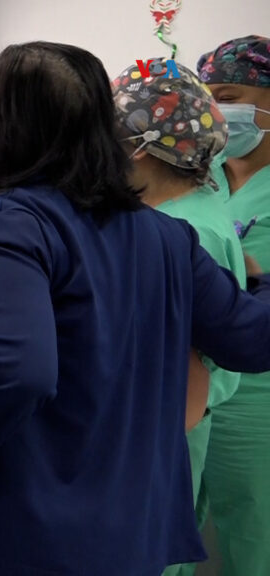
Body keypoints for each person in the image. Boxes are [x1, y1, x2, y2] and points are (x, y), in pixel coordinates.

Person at [0, 41, 270, 576]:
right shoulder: (167, 237)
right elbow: (252, 339)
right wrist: (257, 280)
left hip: (30, 538)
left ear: (11, 125)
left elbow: (14, 372)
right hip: (133, 538)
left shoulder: (9, 223)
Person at [111, 59, 241, 576]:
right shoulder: (185, 210)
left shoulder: (185, 231)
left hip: (159, 440)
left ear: (140, 144)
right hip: (168, 434)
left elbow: (184, 370)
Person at [193, 34, 270, 576]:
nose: (220, 111)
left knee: (254, 528)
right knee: (174, 522)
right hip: (193, 383)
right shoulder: (199, 171)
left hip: (259, 397)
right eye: (209, 96)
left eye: (231, 93)